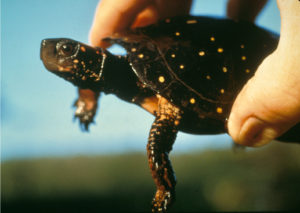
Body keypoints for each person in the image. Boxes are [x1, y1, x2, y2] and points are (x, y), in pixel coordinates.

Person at [89, 0, 300, 147]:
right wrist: (87, 99)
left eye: (67, 50)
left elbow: (164, 126)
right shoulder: (123, 65)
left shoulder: (162, 100)